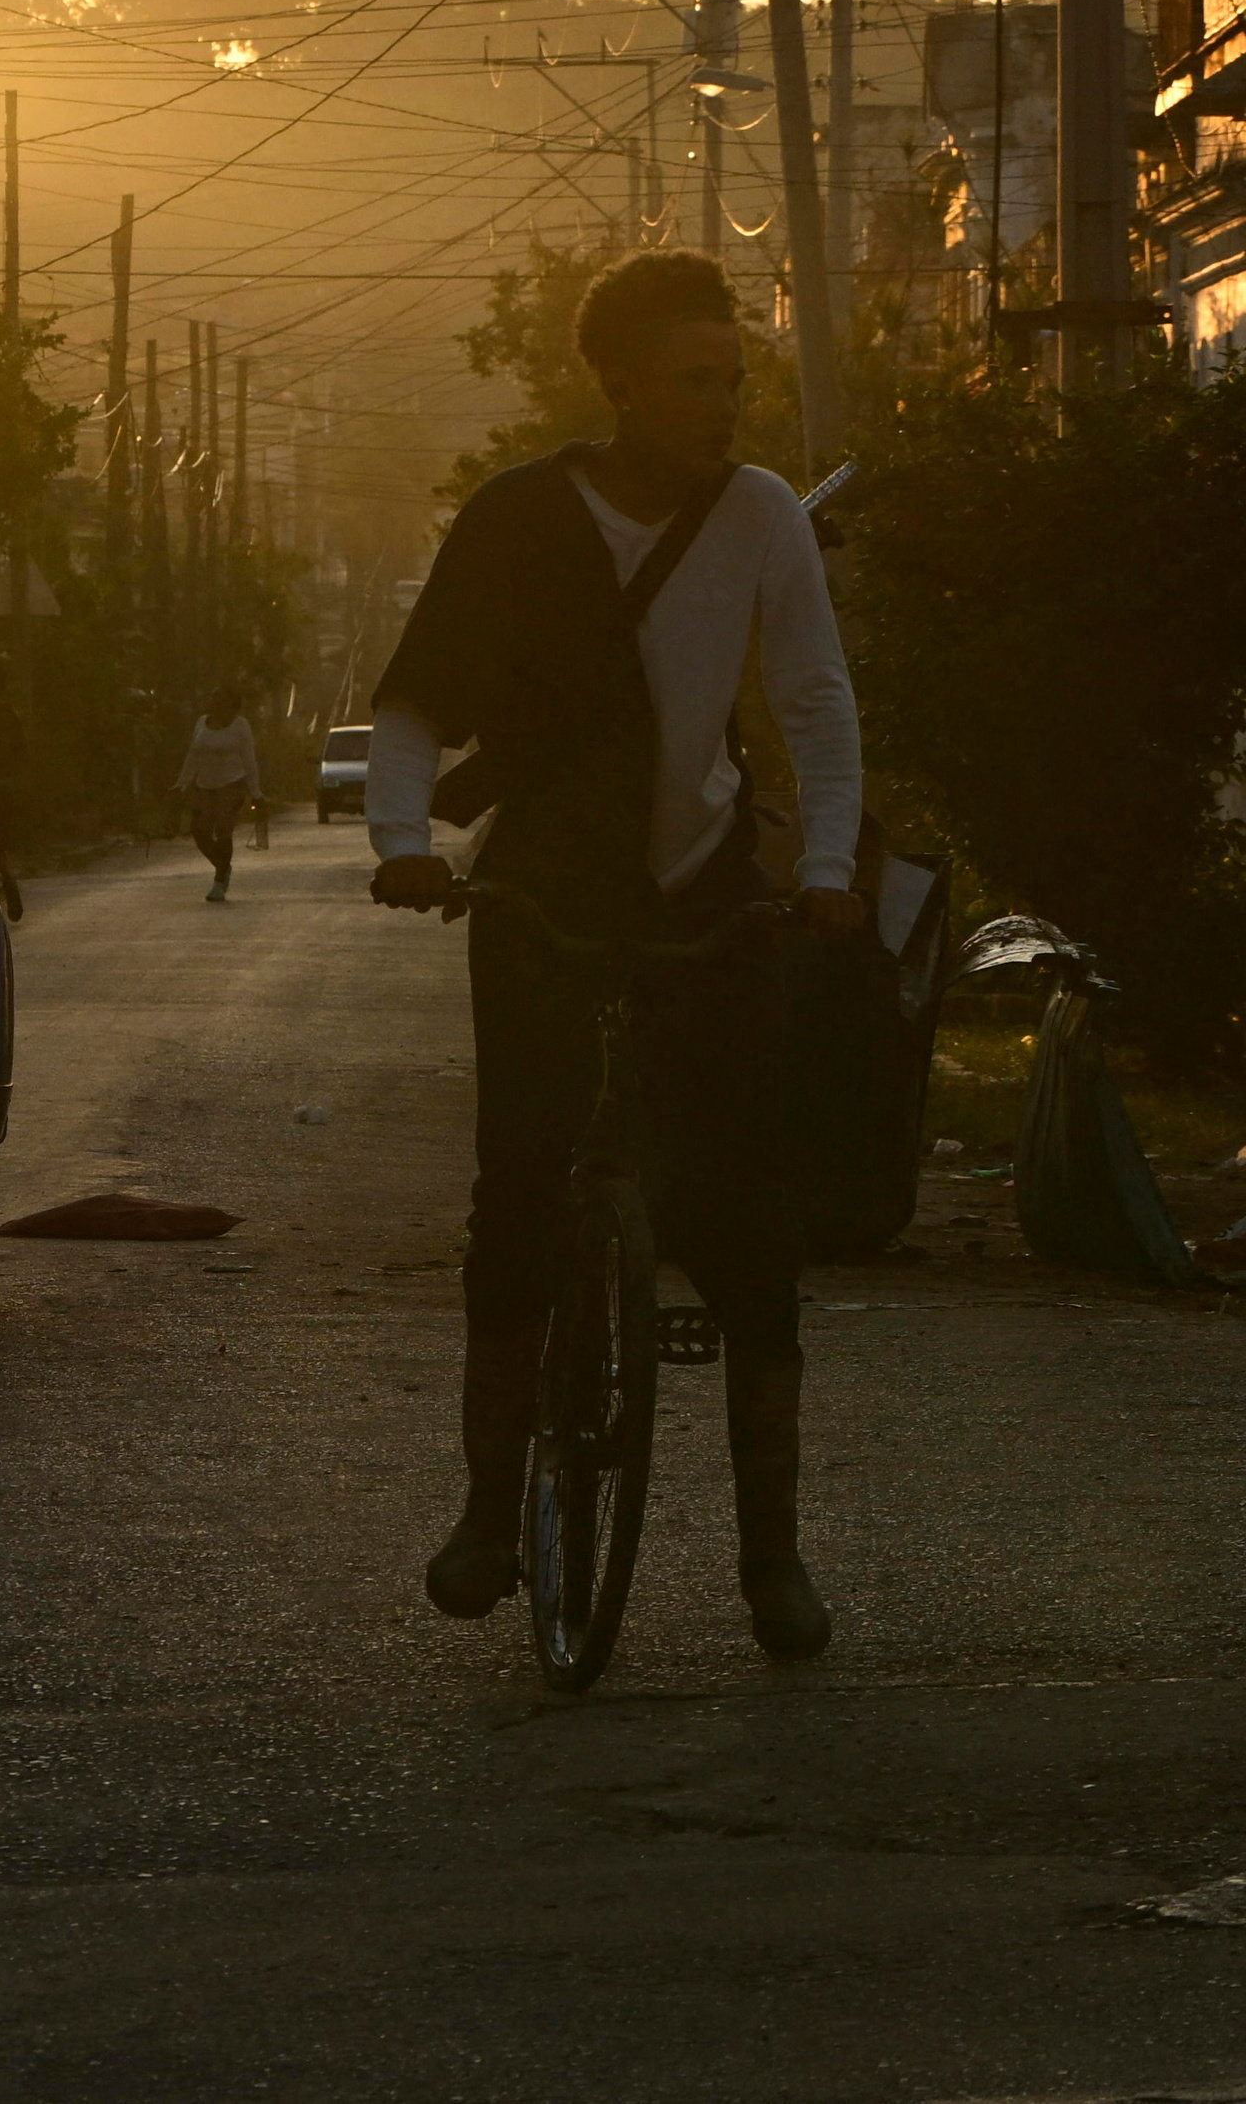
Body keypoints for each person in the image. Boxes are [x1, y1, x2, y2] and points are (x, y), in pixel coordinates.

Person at [362, 250, 863, 1661]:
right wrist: (401, 838)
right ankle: (481, 1511)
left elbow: (816, 706)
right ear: (621, 384)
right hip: (543, 890)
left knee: (751, 1220)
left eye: (736, 379)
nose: (723, 404)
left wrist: (821, 869)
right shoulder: (520, 518)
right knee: (517, 1189)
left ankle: (775, 1555)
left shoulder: (760, 515)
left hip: (708, 891)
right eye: (696, 380)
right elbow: (415, 700)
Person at [180, 687, 258, 900]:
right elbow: (192, 755)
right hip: (204, 785)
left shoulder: (240, 726)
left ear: (232, 706)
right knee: (199, 831)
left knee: (223, 830)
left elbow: (249, 760)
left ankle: (219, 881)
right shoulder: (201, 723)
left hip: (232, 785)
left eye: (221, 702)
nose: (216, 705)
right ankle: (223, 866)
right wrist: (181, 783)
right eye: (214, 700)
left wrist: (256, 792)